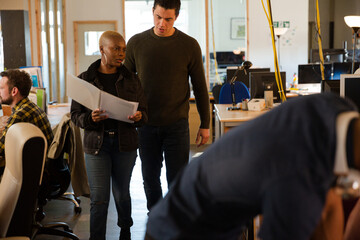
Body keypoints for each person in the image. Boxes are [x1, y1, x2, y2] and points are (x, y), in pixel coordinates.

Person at [145, 93, 360, 240]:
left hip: (199, 205)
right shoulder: (294, 179)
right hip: (178, 230)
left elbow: (330, 200)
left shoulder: (337, 108)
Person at [124, 0, 211, 212]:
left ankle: (175, 225)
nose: (162, 23)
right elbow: (124, 83)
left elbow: (200, 88)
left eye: (168, 19)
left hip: (177, 125)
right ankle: (156, 222)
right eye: (158, 17)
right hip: (145, 125)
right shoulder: (136, 43)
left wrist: (205, 124)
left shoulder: (189, 45)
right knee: (150, 180)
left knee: (178, 182)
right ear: (153, 12)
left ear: (177, 17)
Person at [70, 31, 147, 240]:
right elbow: (75, 116)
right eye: (116, 49)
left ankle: (125, 231)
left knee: (122, 194)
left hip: (125, 145)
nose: (121, 53)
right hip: (97, 146)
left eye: (123, 49)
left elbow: (145, 114)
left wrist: (139, 116)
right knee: (99, 199)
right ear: (102, 49)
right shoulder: (85, 80)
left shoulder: (132, 79)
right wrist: (90, 119)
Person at [0, 69, 53, 172]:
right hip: (42, 169)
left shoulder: (21, 113)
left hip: (38, 173)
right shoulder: (29, 106)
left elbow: (1, 148)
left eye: (1, 88)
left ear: (14, 91)